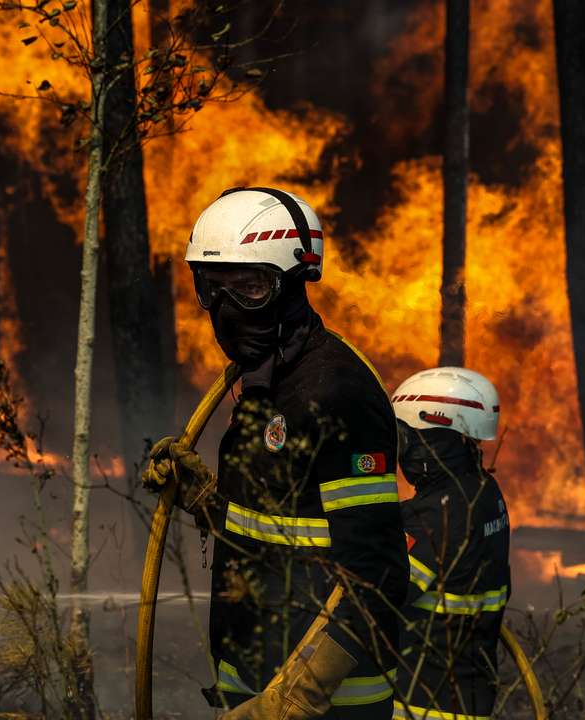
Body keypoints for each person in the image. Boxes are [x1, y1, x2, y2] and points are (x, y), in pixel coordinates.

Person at [143, 188, 408, 719]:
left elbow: (377, 570)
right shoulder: (262, 381)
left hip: (327, 702)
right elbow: (277, 525)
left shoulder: (336, 391)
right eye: (211, 289)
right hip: (249, 680)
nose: (226, 309)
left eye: (251, 287)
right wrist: (204, 499)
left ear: (293, 285)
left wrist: (299, 696)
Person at [389, 368, 511, 720]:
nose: (402, 450)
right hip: (470, 698)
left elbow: (377, 598)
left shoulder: (438, 515)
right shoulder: (483, 493)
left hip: (423, 704)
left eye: (406, 437)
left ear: (433, 439)